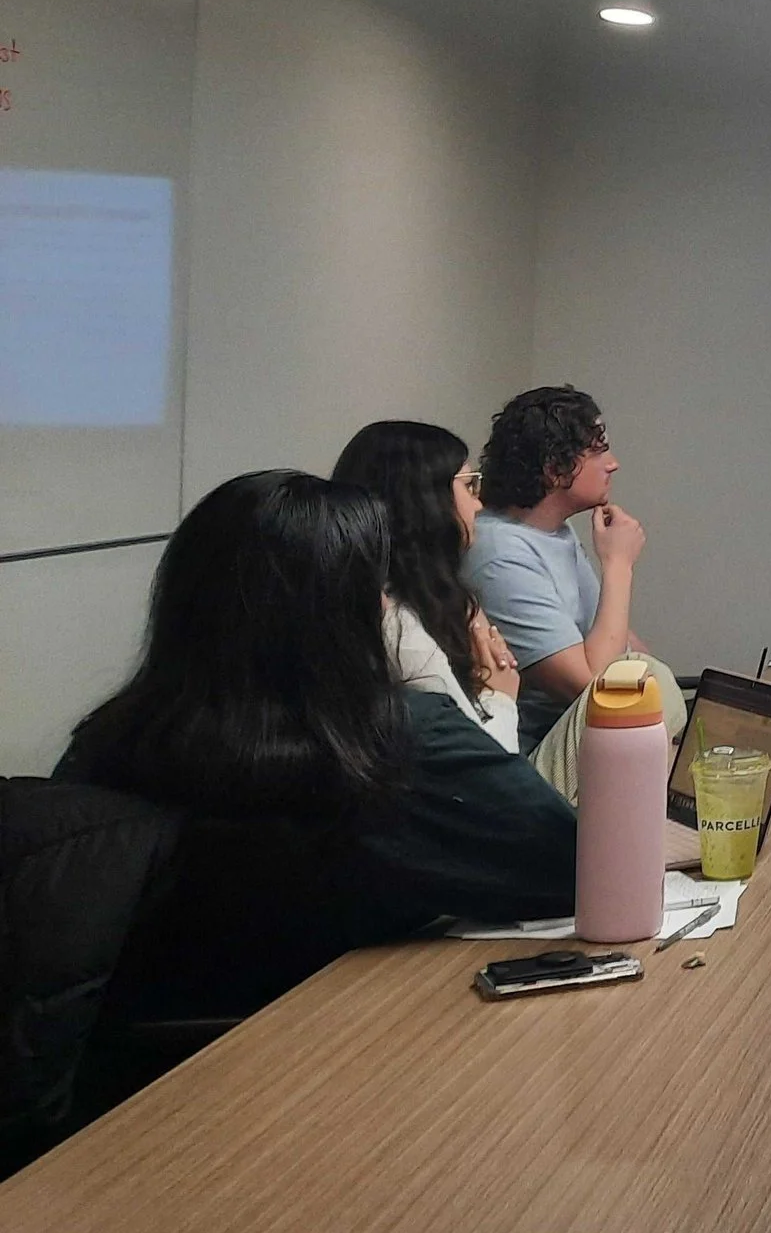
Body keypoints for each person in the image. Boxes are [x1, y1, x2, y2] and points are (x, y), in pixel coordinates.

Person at [54, 471, 578, 1025]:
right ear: (346, 610)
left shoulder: (105, 741)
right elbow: (579, 870)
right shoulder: (394, 744)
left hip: (128, 1087)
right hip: (337, 1063)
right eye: (378, 587)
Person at [463, 385, 681, 780]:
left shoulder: (554, 533)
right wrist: (618, 564)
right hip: (531, 765)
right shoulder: (498, 551)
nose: (612, 464)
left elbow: (624, 647)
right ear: (554, 469)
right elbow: (593, 686)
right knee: (644, 684)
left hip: (583, 746)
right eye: (598, 451)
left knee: (654, 677)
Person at [333, 419, 523, 753]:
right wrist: (501, 696)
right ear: (426, 499)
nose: (478, 504)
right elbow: (480, 763)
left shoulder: (412, 596)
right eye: (468, 485)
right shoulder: (399, 626)